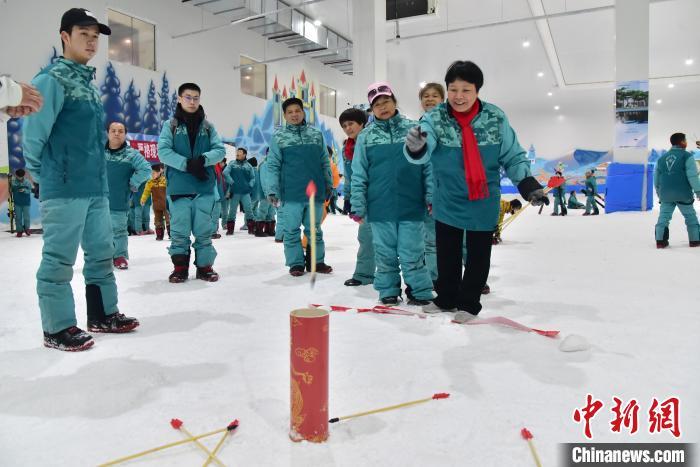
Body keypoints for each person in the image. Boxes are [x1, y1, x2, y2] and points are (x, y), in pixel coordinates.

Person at [23, 8, 140, 351]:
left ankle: (103, 313)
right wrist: (44, 178)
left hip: (94, 187)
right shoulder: (51, 79)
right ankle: (57, 328)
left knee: (102, 254)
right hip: (64, 186)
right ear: (65, 36)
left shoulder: (87, 85)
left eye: (95, 36)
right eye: (83, 34)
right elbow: (34, 137)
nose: (91, 42)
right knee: (59, 258)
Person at [404, 60, 548, 320]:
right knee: (446, 253)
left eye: (466, 90)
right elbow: (424, 144)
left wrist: (528, 185)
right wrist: (417, 147)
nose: (458, 96)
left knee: (478, 255)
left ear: (477, 90)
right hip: (447, 195)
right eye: (453, 89)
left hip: (482, 197)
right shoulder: (435, 117)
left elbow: (513, 155)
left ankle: (469, 304)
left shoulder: (495, 117)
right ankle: (446, 298)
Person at [351, 82, 434, 306]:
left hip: (411, 203)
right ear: (371, 109)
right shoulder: (366, 137)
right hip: (380, 205)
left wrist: (431, 196)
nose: (382, 107)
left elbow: (428, 167)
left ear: (394, 102)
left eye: (386, 101)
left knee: (412, 252)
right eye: (376, 104)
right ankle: (388, 289)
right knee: (385, 253)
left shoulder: (414, 129)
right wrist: (358, 204)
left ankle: (420, 290)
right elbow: (359, 174)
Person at [158, 82, 226, 282]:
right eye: (188, 97)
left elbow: (220, 150)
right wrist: (187, 164)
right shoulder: (170, 125)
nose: (192, 101)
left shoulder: (208, 126)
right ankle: (180, 268)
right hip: (179, 187)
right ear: (179, 98)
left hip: (203, 188)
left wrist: (203, 160)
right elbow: (163, 151)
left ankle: (205, 267)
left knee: (204, 231)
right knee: (179, 231)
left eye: (196, 98)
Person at [264, 97, 333, 276]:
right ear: (285, 115)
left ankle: (316, 262)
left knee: (314, 230)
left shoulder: (316, 135)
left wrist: (329, 184)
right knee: (291, 230)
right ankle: (295, 263)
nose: (294, 114)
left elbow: (325, 162)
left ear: (303, 112)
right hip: (291, 192)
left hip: (315, 192)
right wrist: (272, 189)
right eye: (290, 112)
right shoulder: (279, 136)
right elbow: (272, 165)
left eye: (297, 111)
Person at [105, 121, 151, 269]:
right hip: (97, 201)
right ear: (108, 133)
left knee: (119, 230)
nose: (117, 133)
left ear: (125, 134)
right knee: (98, 231)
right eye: (113, 130)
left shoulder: (132, 154)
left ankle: (119, 256)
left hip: (119, 199)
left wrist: (133, 183)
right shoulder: (98, 152)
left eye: (120, 131)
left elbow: (146, 170)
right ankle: (101, 257)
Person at [339, 108, 375, 287]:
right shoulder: (347, 148)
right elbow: (349, 176)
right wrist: (348, 198)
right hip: (363, 197)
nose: (348, 128)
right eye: (344, 125)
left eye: (351, 123)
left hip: (381, 194)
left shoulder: (373, 140)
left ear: (362, 123)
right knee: (366, 236)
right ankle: (364, 275)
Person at [419, 83, 445, 284]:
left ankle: (470, 278)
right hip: (428, 192)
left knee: (462, 238)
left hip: (452, 190)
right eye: (425, 96)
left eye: (434, 95)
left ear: (443, 99)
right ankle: (434, 277)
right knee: (431, 240)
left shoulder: (452, 124)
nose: (429, 99)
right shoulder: (417, 128)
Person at [654, 132, 700, 248]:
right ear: (682, 142)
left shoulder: (661, 159)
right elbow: (692, 176)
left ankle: (660, 241)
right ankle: (694, 241)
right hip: (683, 194)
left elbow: (657, 179)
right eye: (685, 140)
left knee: (663, 217)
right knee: (690, 217)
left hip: (666, 195)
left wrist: (660, 194)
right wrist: (698, 191)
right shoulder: (687, 156)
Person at [223, 147, 256, 235]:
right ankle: (230, 230)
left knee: (249, 210)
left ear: (244, 154)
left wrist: (250, 185)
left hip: (245, 192)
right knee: (232, 211)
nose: (237, 153)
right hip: (235, 192)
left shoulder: (248, 166)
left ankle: (251, 229)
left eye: (239, 152)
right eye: (237, 152)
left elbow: (253, 178)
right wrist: (231, 182)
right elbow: (225, 173)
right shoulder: (232, 164)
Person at [141, 163, 169, 240]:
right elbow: (146, 192)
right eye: (151, 173)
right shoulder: (150, 182)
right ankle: (159, 234)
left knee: (169, 219)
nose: (152, 175)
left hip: (166, 204)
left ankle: (171, 233)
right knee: (157, 220)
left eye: (154, 173)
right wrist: (143, 199)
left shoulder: (165, 180)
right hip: (156, 205)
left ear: (159, 172)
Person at [10, 169, 33, 237]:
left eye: (21, 176)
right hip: (17, 202)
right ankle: (19, 231)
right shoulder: (13, 182)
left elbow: (30, 190)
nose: (19, 178)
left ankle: (27, 229)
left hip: (26, 202)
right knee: (18, 217)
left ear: (23, 175)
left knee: (26, 217)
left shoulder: (27, 182)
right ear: (16, 175)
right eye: (18, 176)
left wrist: (24, 190)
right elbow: (10, 190)